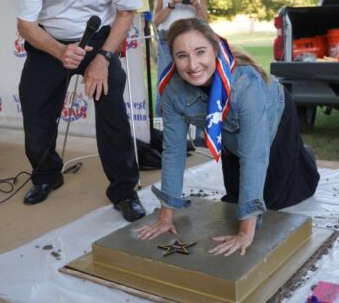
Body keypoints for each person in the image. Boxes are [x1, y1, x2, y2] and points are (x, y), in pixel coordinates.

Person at [137, 18, 320, 256]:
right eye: (182, 56)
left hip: (273, 111)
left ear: (215, 49)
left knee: (276, 202)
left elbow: (254, 156)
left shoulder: (245, 83)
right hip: (228, 129)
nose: (193, 65)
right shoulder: (171, 92)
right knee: (234, 201)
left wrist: (246, 232)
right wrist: (165, 215)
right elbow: (173, 152)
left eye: (200, 52)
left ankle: (305, 156)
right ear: (173, 58)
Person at [16, 0, 146, 222]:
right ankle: (47, 175)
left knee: (112, 110)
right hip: (49, 40)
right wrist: (60, 52)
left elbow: (126, 12)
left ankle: (124, 191)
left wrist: (103, 58)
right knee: (35, 113)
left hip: (99, 39)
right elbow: (26, 24)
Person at [153, 0, 208, 116]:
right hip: (167, 42)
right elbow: (155, 21)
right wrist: (171, 4)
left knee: (195, 83)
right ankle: (160, 128)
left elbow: (206, 23)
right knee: (164, 85)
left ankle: (196, 129)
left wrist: (198, 7)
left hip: (193, 44)